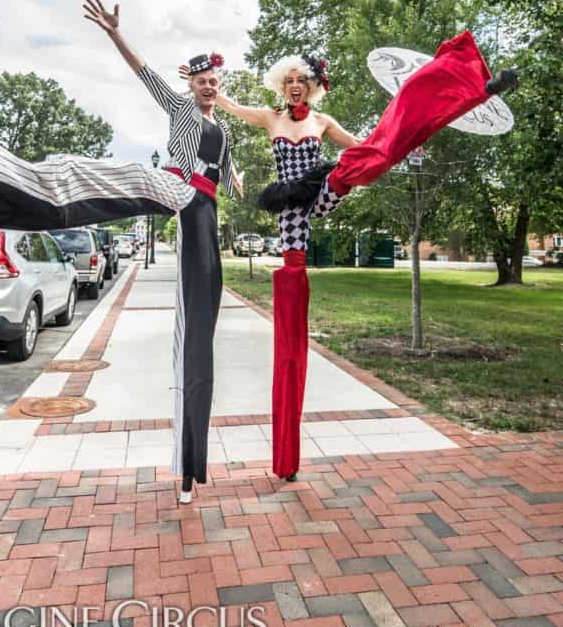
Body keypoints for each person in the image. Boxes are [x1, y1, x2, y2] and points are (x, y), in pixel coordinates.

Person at [183, 29, 518, 483]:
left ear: (312, 86)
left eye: (303, 80)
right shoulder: (269, 118)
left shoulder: (322, 121)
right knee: (308, 238)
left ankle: (474, 92)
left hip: (321, 191)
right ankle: (286, 459)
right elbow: (225, 106)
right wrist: (208, 83)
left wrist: (400, 148)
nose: (295, 86)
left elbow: (363, 143)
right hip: (290, 211)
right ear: (282, 85)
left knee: (370, 158)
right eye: (289, 81)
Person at [0, 0, 243, 505]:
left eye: (213, 80)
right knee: (113, 176)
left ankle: (190, 466)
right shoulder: (179, 106)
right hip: (179, 187)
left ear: (219, 84)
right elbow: (143, 71)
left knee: (201, 322)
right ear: (191, 83)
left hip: (206, 209)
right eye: (200, 79)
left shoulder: (223, 124)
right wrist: (114, 33)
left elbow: (225, 157)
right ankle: (6, 175)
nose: (207, 85)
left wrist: (235, 176)